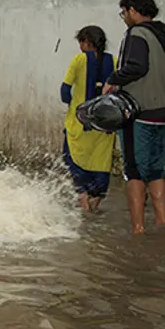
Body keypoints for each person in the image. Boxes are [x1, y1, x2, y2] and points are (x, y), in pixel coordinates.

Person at [102, 0, 165, 234]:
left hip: (140, 111)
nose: (124, 17)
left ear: (133, 10)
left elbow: (136, 66)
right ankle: (162, 224)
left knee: (134, 171)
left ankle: (138, 230)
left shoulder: (137, 34)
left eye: (124, 12)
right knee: (156, 169)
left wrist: (112, 79)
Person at [61, 25, 116, 213]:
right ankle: (95, 204)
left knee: (74, 161)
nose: (80, 47)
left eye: (80, 43)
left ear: (86, 42)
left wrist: (72, 105)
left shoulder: (79, 60)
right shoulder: (114, 62)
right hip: (105, 128)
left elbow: (64, 91)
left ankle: (84, 207)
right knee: (100, 163)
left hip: (79, 124)